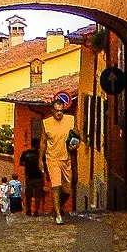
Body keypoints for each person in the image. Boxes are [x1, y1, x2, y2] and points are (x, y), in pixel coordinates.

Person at [42, 94, 81, 224]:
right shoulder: (46, 123)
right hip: (52, 158)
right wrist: (40, 161)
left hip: (66, 158)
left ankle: (57, 206)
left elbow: (77, 137)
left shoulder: (71, 120)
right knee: (56, 186)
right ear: (52, 111)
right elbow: (43, 143)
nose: (59, 113)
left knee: (67, 190)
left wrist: (75, 145)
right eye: (57, 111)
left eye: (61, 111)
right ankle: (58, 215)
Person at [19, 144, 43, 217]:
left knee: (28, 195)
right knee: (38, 195)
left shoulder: (25, 153)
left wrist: (27, 165)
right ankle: (36, 211)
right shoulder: (40, 154)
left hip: (29, 176)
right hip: (38, 176)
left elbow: (21, 163)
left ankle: (28, 210)